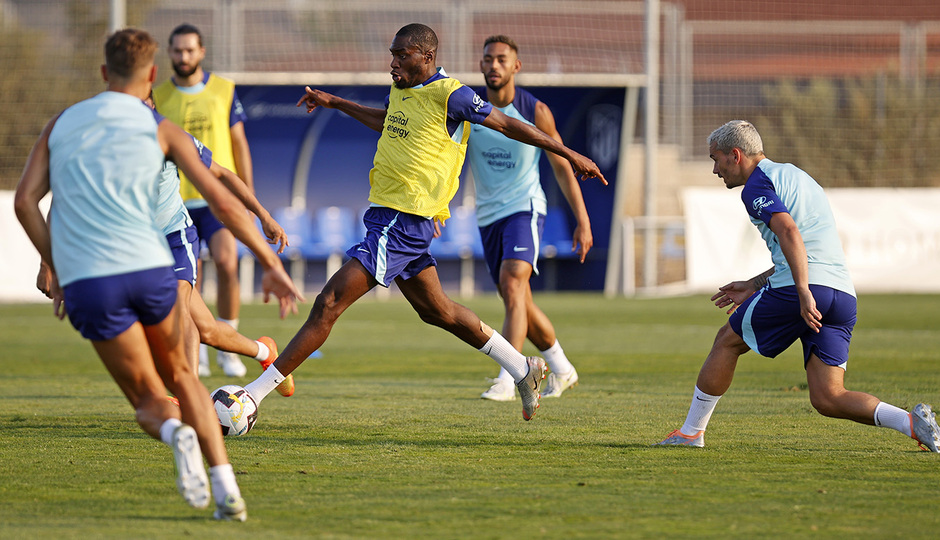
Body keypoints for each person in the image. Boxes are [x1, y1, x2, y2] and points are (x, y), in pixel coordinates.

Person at [242, 23, 606, 422]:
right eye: (392, 55)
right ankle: (523, 369)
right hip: (388, 216)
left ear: (427, 57)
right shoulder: (401, 90)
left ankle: (252, 398)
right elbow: (387, 122)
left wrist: (570, 153)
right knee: (440, 312)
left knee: (328, 303)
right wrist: (335, 102)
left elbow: (507, 124)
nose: (393, 64)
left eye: (402, 55)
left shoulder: (452, 95)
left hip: (402, 221)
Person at [14, 29, 301, 520]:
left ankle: (178, 423)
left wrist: (54, 262)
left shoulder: (75, 124)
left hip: (139, 253)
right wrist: (270, 261)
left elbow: (32, 201)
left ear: (104, 73)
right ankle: (257, 363)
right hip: (147, 261)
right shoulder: (154, 128)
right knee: (201, 340)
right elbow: (215, 195)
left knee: (170, 369)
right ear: (152, 75)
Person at [654, 120, 940, 452]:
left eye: (716, 159)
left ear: (735, 155)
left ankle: (690, 433)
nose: (715, 170)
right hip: (842, 294)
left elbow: (789, 232)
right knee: (828, 397)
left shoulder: (756, 186)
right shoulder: (801, 178)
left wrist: (803, 290)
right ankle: (912, 423)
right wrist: (756, 283)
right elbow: (808, 244)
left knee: (727, 341)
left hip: (804, 290)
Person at [465, 35, 591, 402]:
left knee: (512, 283)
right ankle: (563, 369)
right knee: (519, 299)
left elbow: (564, 167)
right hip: (488, 217)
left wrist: (582, 220)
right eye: (488, 59)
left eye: (502, 59)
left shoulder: (535, 111)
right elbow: (448, 161)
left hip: (525, 207)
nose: (494, 65)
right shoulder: (469, 108)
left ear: (516, 67)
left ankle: (510, 378)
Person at [154, 23, 253, 378]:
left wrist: (248, 195)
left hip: (216, 199)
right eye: (177, 50)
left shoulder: (224, 90)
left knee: (227, 263)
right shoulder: (157, 95)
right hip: (175, 204)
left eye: (190, 50)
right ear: (169, 53)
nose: (183, 56)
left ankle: (228, 346)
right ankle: (197, 353)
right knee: (187, 283)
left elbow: (238, 144)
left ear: (202, 51)